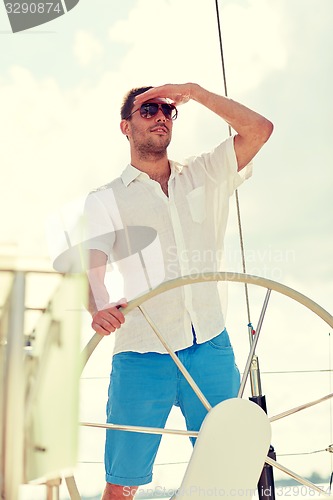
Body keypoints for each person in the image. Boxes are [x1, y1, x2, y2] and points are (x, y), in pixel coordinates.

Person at [84, 83, 273, 500]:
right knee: (121, 485)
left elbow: (259, 129)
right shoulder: (106, 199)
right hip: (140, 354)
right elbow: (93, 270)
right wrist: (98, 307)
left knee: (231, 473)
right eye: (149, 109)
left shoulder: (206, 171)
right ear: (125, 126)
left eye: (169, 110)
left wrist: (194, 92)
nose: (161, 116)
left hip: (210, 345)